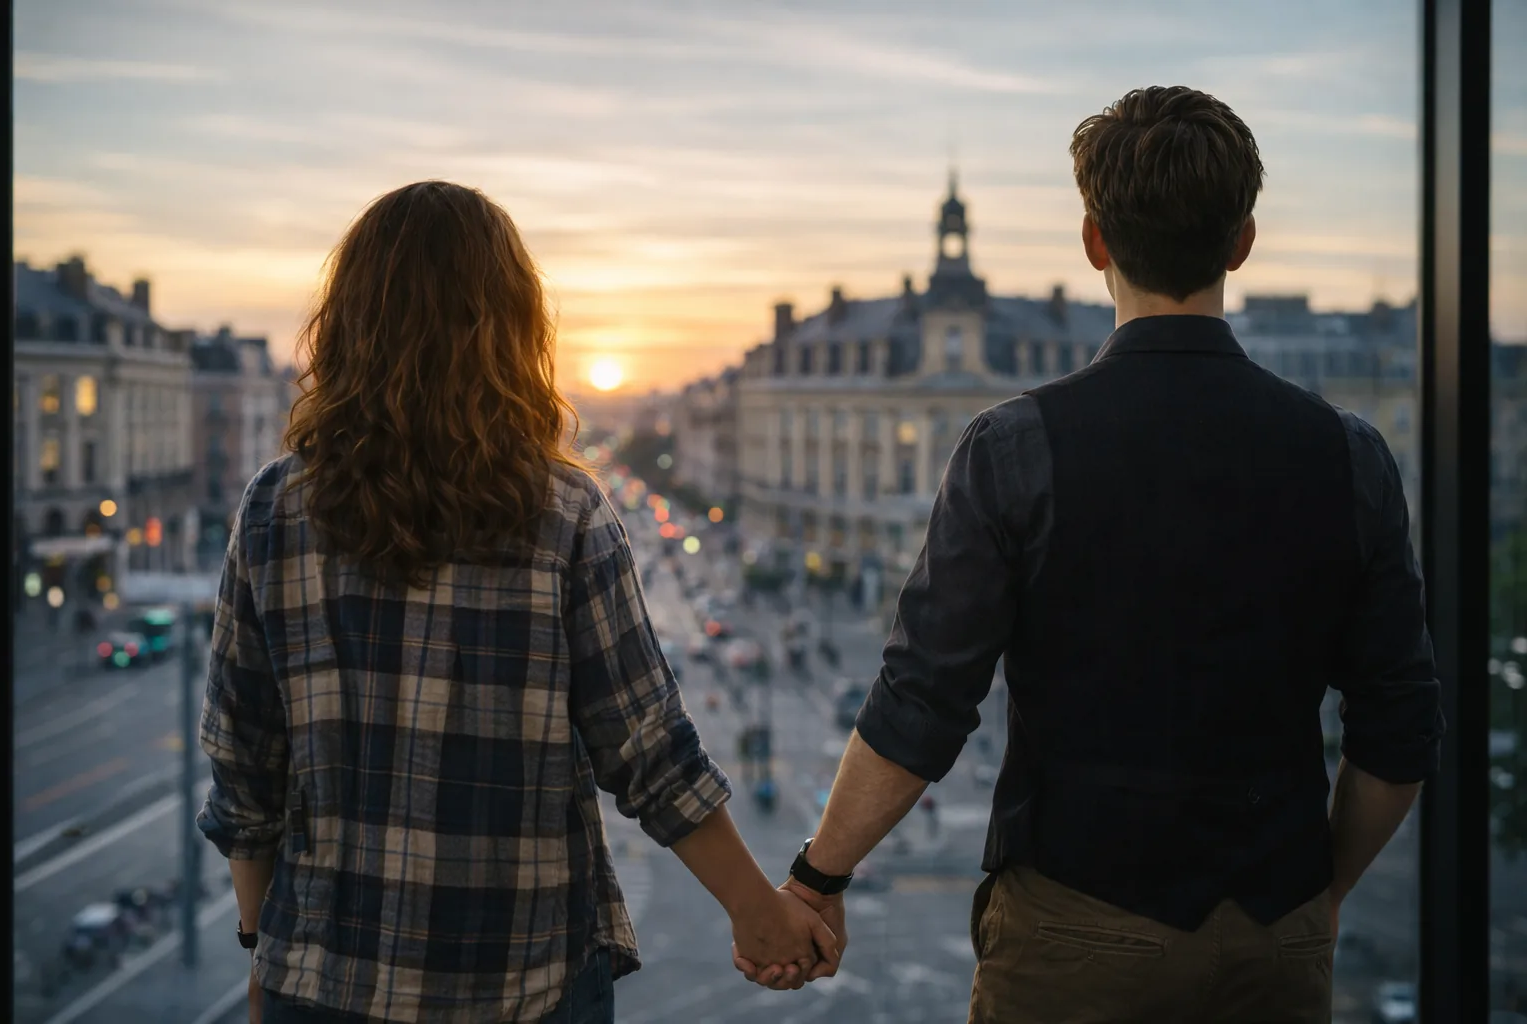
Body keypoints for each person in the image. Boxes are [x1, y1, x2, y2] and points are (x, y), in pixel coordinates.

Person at [736, 86, 1444, 1022]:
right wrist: (1320, 894)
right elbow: (1398, 730)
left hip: (1076, 926)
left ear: (1094, 241)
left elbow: (922, 703)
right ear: (1242, 242)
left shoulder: (1017, 447)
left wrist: (815, 876)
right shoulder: (1349, 453)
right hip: (1276, 930)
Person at [196, 180, 837, 1024]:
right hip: (519, 987)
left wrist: (261, 944)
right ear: (510, 329)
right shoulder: (562, 513)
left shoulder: (274, 508)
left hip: (321, 984)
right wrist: (762, 912)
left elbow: (245, 768)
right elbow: (648, 749)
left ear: (347, 325)